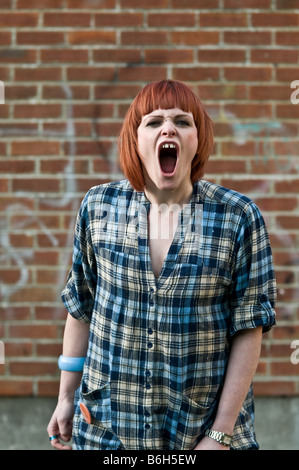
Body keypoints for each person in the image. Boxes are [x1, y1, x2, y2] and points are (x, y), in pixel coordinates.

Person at [47, 80, 276, 450]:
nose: (168, 128)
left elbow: (249, 327)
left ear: (197, 140)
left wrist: (220, 433)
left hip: (199, 430)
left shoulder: (237, 217)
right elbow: (81, 307)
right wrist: (65, 398)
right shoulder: (98, 207)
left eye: (182, 122)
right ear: (135, 141)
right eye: (153, 122)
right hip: (108, 431)